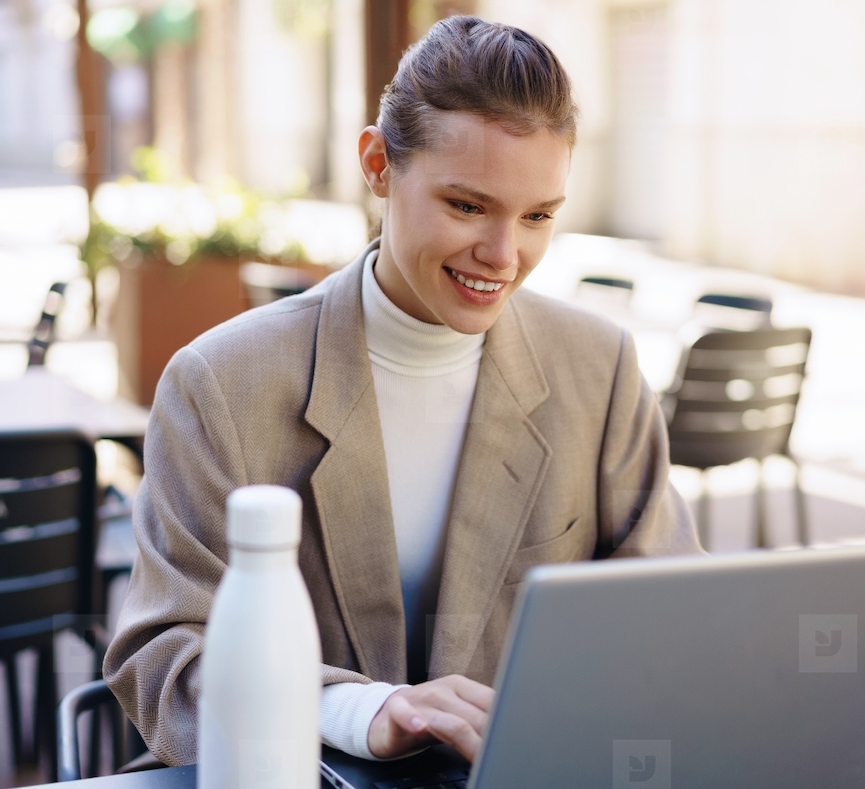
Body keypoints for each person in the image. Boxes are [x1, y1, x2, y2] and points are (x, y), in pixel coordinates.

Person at [104, 14, 702, 768]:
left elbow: (669, 619)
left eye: (538, 216)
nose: (503, 254)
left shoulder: (601, 369)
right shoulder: (219, 384)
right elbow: (163, 662)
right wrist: (358, 709)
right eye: (467, 205)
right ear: (378, 164)